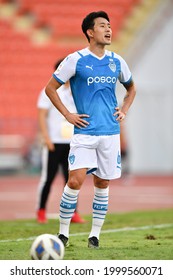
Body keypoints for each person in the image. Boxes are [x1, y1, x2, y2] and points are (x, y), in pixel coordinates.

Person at [45, 11, 136, 248]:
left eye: (109, 26)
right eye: (102, 26)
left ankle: (94, 235)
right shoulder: (75, 60)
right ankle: (63, 233)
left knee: (102, 183)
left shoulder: (117, 61)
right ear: (89, 32)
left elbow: (131, 88)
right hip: (84, 132)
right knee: (74, 181)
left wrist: (124, 109)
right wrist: (68, 114)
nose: (109, 30)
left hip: (109, 132)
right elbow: (50, 88)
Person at [36, 59, 86, 224]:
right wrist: (46, 137)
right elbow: (42, 115)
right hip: (54, 142)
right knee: (48, 178)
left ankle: (74, 213)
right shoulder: (47, 92)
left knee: (72, 180)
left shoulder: (77, 91)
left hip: (72, 143)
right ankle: (41, 210)